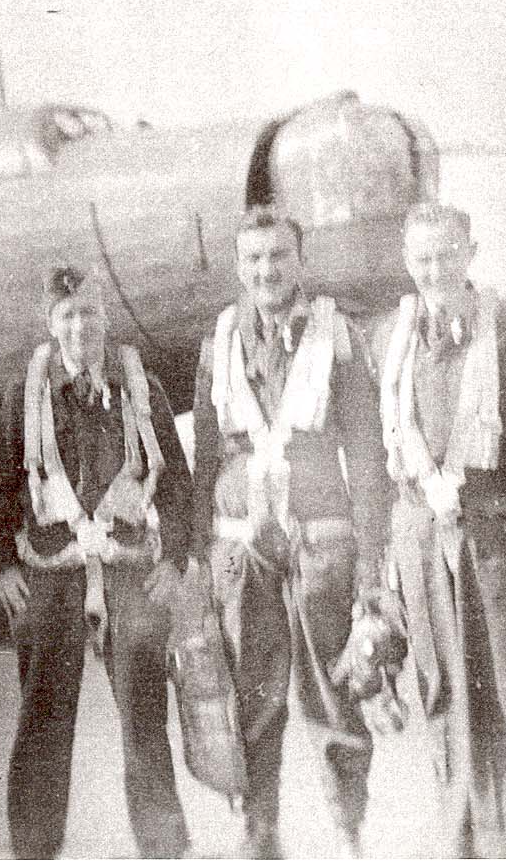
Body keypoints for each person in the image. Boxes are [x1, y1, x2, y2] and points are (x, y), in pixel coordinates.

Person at [367, 202, 506, 857]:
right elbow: (383, 458)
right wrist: (386, 555)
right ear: (407, 263)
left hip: (499, 535)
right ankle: (458, 838)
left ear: (470, 252)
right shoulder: (392, 338)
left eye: (446, 253)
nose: (434, 269)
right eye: (420, 258)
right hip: (419, 541)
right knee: (441, 693)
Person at [0, 266, 192, 859]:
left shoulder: (140, 387)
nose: (80, 328)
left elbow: (176, 484)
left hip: (128, 572)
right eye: (67, 316)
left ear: (106, 318)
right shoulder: (26, 391)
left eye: (90, 314)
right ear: (51, 323)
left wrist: (173, 559)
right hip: (53, 576)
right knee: (43, 723)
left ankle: (164, 849)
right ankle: (35, 852)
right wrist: (1, 565)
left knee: (145, 721)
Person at [191, 207, 390, 858]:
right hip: (240, 547)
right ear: (238, 266)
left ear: (298, 261)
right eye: (252, 259)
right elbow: (203, 462)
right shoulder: (218, 339)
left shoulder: (338, 335)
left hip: (320, 546)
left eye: (277, 256)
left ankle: (348, 829)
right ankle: (259, 836)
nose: (265, 270)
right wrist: (198, 559)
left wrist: (369, 573)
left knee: (332, 697)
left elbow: (367, 459)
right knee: (250, 697)